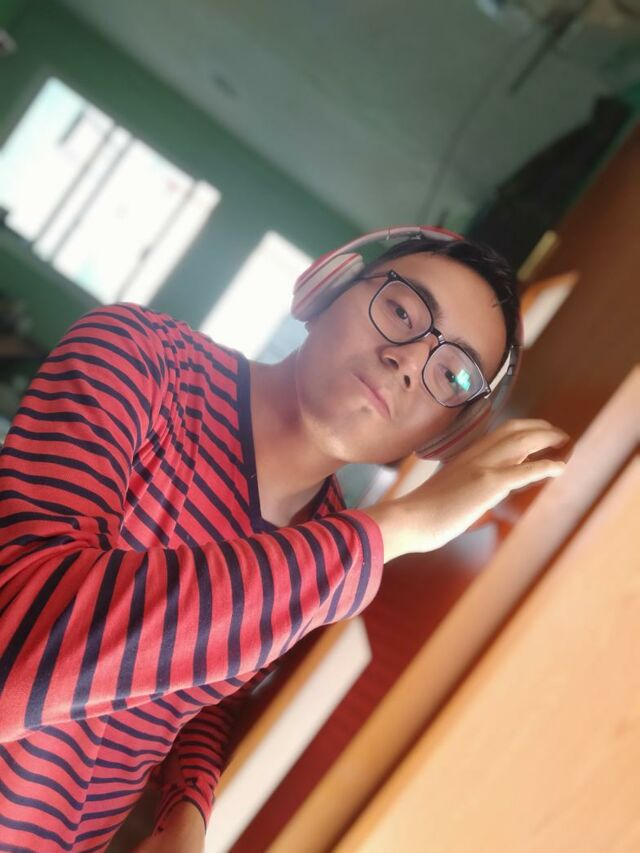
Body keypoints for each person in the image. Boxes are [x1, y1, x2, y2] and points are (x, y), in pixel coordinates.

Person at [0, 227, 570, 852]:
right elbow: (18, 643)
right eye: (403, 311)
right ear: (325, 290)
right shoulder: (137, 356)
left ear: (442, 437)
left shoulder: (324, 545)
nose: (409, 362)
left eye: (453, 376)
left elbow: (211, 687)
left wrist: (187, 802)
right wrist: (395, 528)